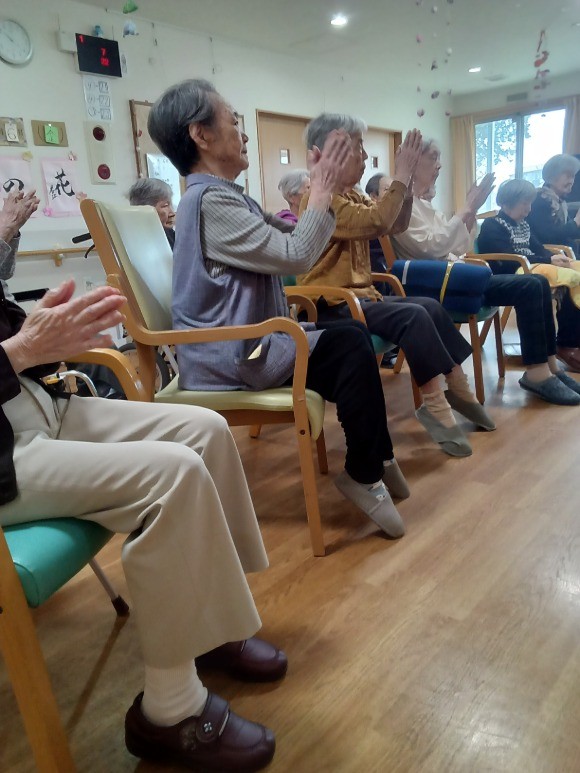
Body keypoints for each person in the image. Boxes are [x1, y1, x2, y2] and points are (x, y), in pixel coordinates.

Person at [0, 193, 286, 771]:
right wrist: (20, 350)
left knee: (205, 430)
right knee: (172, 475)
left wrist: (39, 336)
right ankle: (171, 712)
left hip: (35, 406)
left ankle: (212, 625)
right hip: (6, 450)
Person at [148, 78, 410, 541]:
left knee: (351, 338)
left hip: (247, 345)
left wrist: (323, 188)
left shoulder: (224, 197)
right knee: (350, 346)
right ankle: (366, 469)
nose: (243, 133)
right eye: (233, 121)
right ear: (201, 134)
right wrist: (322, 189)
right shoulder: (208, 203)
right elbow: (297, 255)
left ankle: (374, 459)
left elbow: (292, 239)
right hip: (230, 356)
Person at [297, 114, 494, 458]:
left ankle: (457, 385)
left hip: (360, 299)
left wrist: (408, 184)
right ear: (326, 153)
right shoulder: (322, 199)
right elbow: (377, 221)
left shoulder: (353, 195)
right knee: (413, 315)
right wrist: (401, 176)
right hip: (329, 306)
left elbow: (394, 224)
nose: (363, 156)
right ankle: (436, 404)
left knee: (429, 306)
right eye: (356, 147)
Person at [391, 139, 580, 406]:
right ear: (412, 160)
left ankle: (549, 365)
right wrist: (467, 209)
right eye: (433, 158)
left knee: (536, 281)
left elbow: (457, 246)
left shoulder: (425, 205)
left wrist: (469, 214)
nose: (439, 165)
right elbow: (431, 248)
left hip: (453, 278)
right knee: (529, 284)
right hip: (434, 286)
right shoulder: (402, 204)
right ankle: (537, 374)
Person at [478, 178, 580, 372]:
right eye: (525, 203)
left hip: (529, 265)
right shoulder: (492, 225)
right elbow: (508, 258)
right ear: (508, 202)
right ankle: (566, 343)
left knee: (576, 269)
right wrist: (548, 260)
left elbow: (538, 248)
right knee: (568, 278)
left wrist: (554, 257)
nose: (529, 209)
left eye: (530, 203)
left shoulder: (523, 225)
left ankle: (573, 340)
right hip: (509, 273)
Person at [527, 153, 580, 255]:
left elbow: (570, 233)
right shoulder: (539, 200)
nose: (571, 181)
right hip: (549, 256)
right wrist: (576, 222)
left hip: (566, 254)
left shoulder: (560, 202)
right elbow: (548, 235)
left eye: (573, 176)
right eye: (567, 176)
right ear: (551, 176)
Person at [128, 177, 176, 248]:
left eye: (171, 205)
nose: (172, 213)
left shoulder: (167, 232)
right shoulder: (139, 242)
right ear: (145, 209)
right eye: (165, 205)